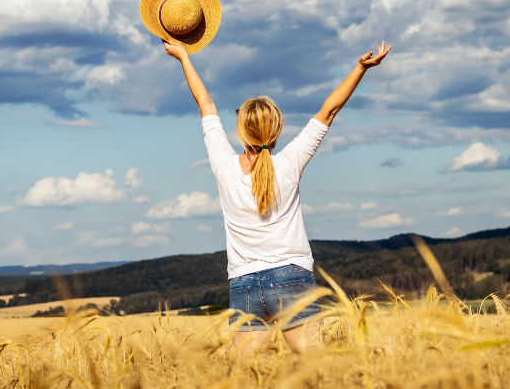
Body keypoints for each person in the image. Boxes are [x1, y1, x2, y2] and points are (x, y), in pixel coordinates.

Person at [163, 38, 392, 356]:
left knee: (247, 383)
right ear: (278, 128)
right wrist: (360, 68)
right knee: (320, 373)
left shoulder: (223, 165)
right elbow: (329, 110)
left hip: (243, 284)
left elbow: (206, 105)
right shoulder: (289, 163)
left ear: (241, 130)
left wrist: (183, 56)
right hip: (292, 279)